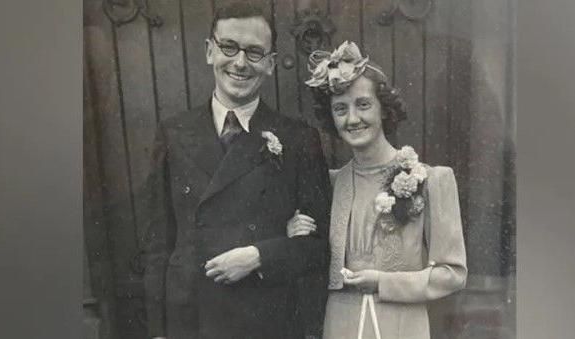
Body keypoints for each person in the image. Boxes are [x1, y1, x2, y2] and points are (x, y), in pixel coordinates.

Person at [141, 3, 331, 339]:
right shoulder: (173, 133)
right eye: (229, 47)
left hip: (266, 319)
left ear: (271, 64)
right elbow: (159, 244)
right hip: (192, 319)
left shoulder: (298, 138)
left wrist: (259, 255)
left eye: (255, 52)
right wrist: (158, 330)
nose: (240, 63)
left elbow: (319, 247)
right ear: (209, 51)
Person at [288, 41, 467, 339]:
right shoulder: (328, 184)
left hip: (401, 326)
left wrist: (384, 282)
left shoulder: (431, 180)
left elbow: (453, 274)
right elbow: (309, 257)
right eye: (340, 109)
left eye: (363, 105)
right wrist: (294, 230)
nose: (353, 119)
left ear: (384, 108)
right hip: (339, 326)